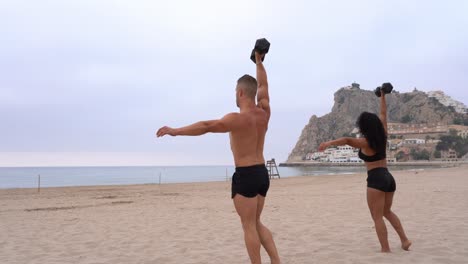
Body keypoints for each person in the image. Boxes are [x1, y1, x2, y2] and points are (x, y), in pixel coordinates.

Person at [156, 52, 280, 264]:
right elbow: (264, 86)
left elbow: (206, 126)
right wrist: (259, 62)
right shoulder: (264, 112)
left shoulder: (236, 119)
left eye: (235, 91)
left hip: (246, 175)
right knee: (257, 223)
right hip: (261, 174)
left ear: (240, 93)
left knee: (249, 226)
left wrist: (175, 131)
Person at [318, 88, 411, 253]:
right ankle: (404, 239)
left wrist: (328, 143)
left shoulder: (365, 142)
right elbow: (383, 113)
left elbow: (346, 140)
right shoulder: (383, 135)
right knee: (387, 212)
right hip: (389, 177)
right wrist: (382, 96)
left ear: (364, 127)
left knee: (377, 217)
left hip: (376, 179)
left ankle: (385, 248)